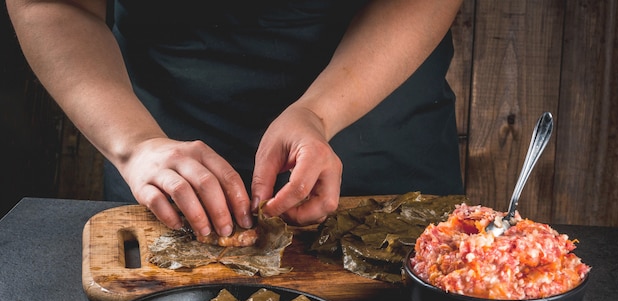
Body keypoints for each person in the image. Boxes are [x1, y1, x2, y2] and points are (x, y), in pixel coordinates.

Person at [7, 0, 464, 241]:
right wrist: (136, 143)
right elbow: (52, 3)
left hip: (380, 138)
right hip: (162, 151)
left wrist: (318, 113)